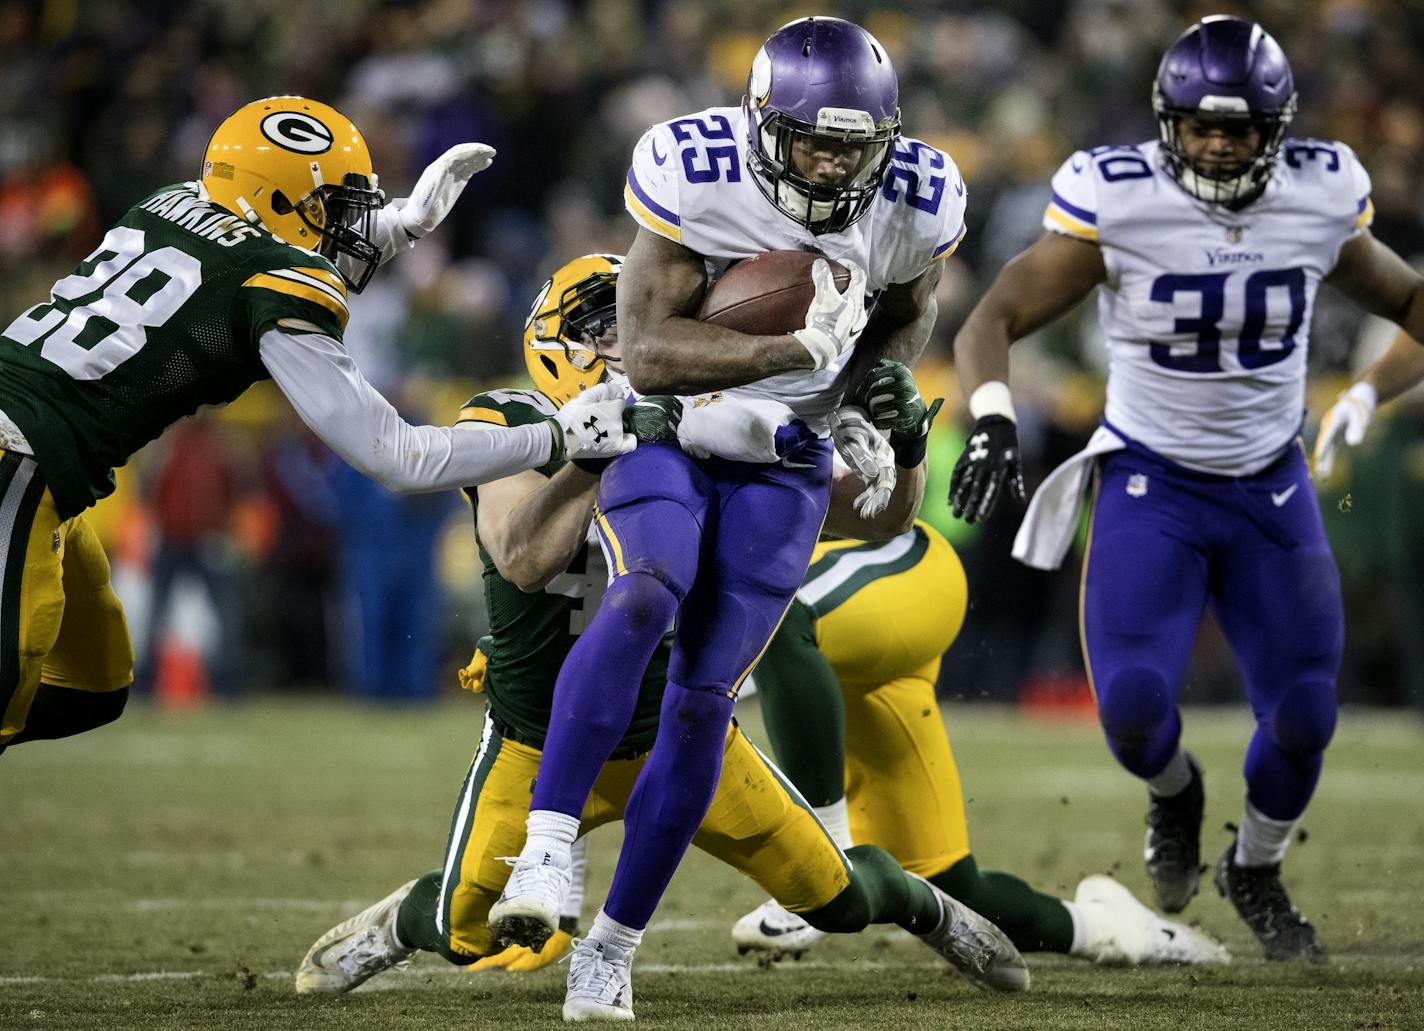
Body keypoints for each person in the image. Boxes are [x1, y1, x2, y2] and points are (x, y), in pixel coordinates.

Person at [293, 254, 1026, 1011]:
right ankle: (398, 924)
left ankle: (926, 905)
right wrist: (595, 454)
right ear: (558, 343)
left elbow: (877, 517)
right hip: (536, 741)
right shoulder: (509, 420)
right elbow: (521, 556)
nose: (627, 343)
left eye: (639, 322)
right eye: (604, 327)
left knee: (833, 898)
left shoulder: (707, 422)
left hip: (674, 735)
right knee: (465, 928)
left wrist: (905, 450)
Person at [491, 19, 974, 1018]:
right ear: (761, 125)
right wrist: (790, 352)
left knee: (704, 699)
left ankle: (611, 949)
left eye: (852, 144)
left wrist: (872, 395)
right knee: (642, 590)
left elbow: (900, 321)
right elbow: (650, 349)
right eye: (811, 140)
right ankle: (544, 852)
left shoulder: (916, 199)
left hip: (785, 456)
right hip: (671, 427)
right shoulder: (693, 167)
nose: (832, 162)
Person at [946, 15, 1424, 963]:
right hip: (1149, 482)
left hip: (1268, 486)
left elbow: (1411, 301)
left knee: (1305, 713)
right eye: (1199, 126)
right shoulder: (1119, 198)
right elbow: (992, 314)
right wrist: (994, 413)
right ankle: (1177, 794)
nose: (1216, 144)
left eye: (1239, 129)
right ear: (1166, 122)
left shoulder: (1321, 197)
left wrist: (1372, 389)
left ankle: (1255, 862)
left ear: (1277, 129)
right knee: (1128, 711)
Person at [0, 96, 633, 756]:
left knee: (90, 688)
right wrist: (560, 436)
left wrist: (402, 226)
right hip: (20, 456)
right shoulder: (276, 281)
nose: (347, 224)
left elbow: (242, 251)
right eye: (332, 205)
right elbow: (399, 455)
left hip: (43, 462)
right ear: (277, 203)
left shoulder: (167, 205)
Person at [729, 519, 1227, 968]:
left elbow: (891, 489)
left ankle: (828, 856)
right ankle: (1113, 929)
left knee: (781, 608)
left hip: (890, 562)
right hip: (837, 621)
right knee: (949, 884)